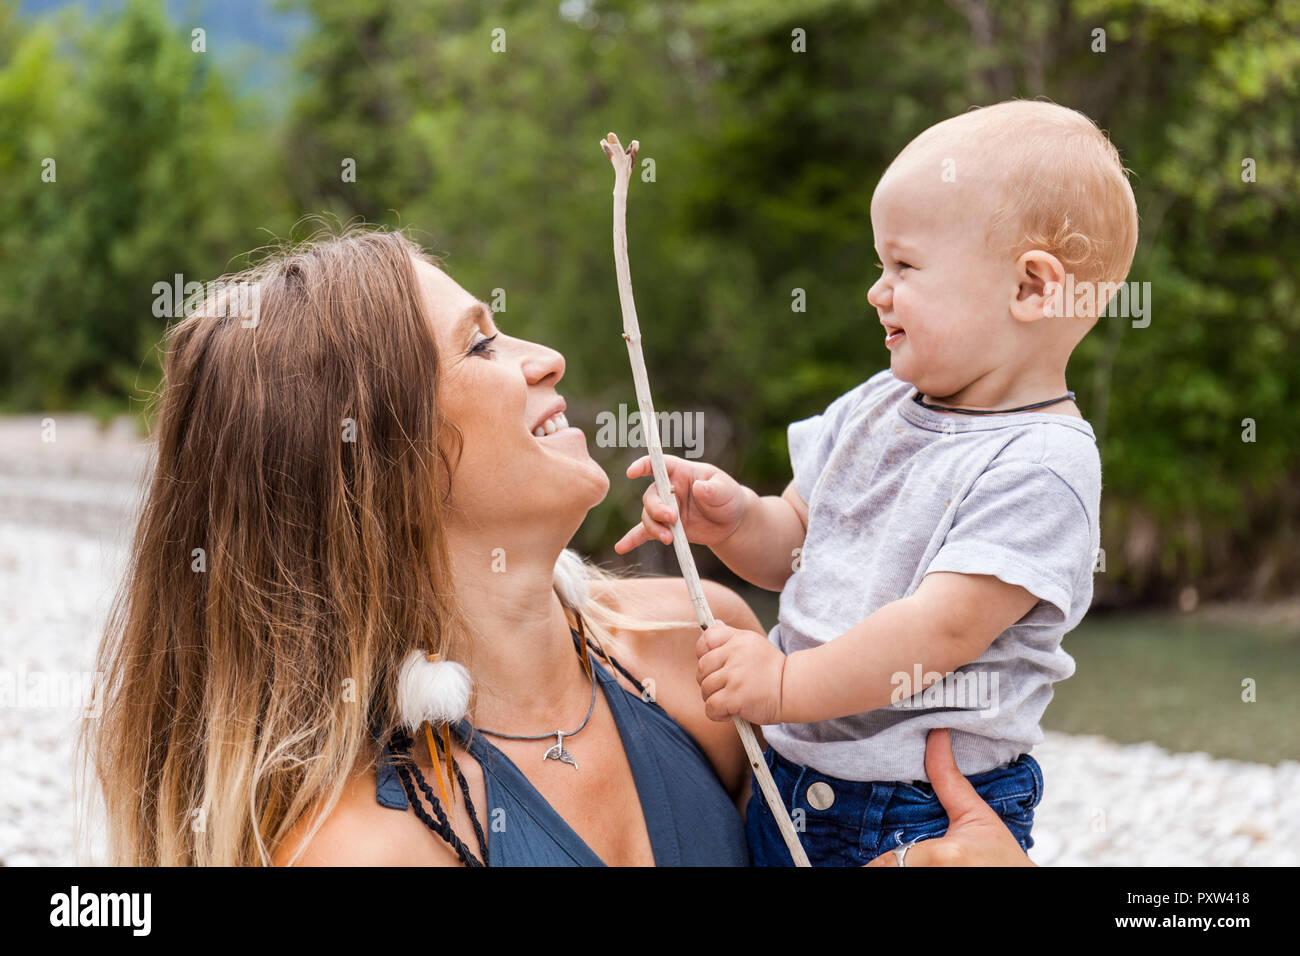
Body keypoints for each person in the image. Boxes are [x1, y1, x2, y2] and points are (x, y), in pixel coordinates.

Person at [617, 99, 1138, 866]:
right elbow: (796, 539)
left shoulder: (1042, 463)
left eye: (904, 266)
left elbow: (936, 634)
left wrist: (785, 684)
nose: (876, 290)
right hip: (792, 775)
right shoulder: (877, 403)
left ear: (1031, 288)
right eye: (878, 265)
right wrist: (734, 522)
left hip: (915, 810)